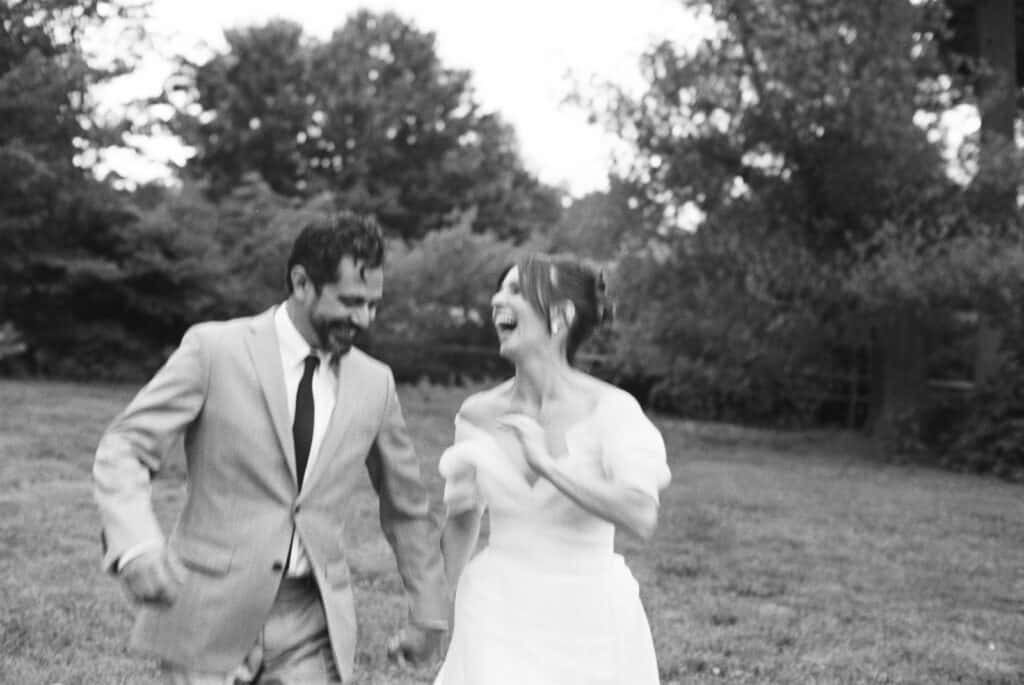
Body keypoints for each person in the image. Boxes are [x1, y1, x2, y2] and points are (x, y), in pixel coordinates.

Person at [93, 211, 448, 684]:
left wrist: (428, 609)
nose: (364, 318)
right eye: (350, 301)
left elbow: (406, 508)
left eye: (373, 304)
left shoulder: (375, 383)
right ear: (302, 282)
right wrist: (135, 543)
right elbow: (126, 446)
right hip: (208, 609)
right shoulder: (213, 350)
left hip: (310, 616)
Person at [433, 253, 671, 685]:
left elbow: (641, 513)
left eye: (515, 291)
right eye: (499, 288)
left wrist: (546, 464)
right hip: (494, 609)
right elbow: (462, 520)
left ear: (560, 316)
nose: (495, 300)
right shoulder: (477, 413)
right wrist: (431, 612)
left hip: (589, 618)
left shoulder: (611, 409)